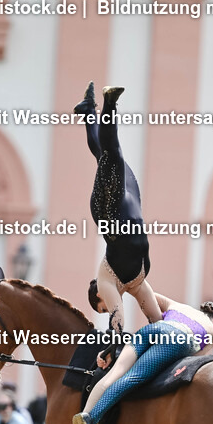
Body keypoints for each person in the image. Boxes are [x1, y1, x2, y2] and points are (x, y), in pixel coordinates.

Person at [72, 291, 213, 424]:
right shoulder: (212, 333)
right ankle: (91, 420)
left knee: (114, 375)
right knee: (132, 378)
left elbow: (142, 291)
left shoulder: (179, 306)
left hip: (151, 330)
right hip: (176, 339)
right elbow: (191, 361)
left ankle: (85, 413)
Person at [75, 81, 162, 334]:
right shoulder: (136, 282)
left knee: (112, 154)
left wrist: (111, 348)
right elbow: (157, 318)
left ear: (99, 295)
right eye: (104, 309)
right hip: (130, 204)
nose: (107, 307)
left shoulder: (106, 281)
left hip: (111, 213)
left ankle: (110, 103)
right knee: (105, 155)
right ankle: (88, 111)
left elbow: (118, 324)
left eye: (100, 307)